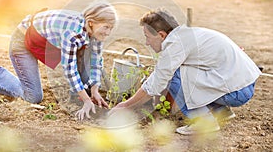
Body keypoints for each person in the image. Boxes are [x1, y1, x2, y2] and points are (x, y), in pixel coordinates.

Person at [110, 8, 261, 135]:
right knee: (186, 72)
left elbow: (155, 84)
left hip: (237, 92)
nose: (146, 42)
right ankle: (221, 112)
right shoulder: (188, 35)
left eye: (147, 37)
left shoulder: (176, 44)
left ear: (161, 35)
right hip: (243, 85)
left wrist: (125, 106)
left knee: (175, 75)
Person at [0, 0, 118, 121]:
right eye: (106, 27)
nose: (108, 32)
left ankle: (79, 94)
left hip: (44, 43)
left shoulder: (96, 34)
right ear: (91, 23)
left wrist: (94, 90)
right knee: (33, 97)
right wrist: (87, 100)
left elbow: (95, 61)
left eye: (110, 28)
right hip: (23, 42)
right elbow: (69, 69)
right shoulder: (73, 33)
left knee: (86, 60)